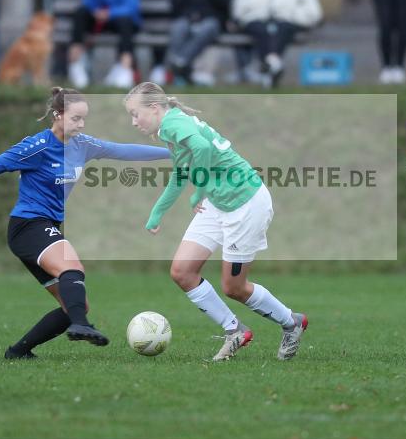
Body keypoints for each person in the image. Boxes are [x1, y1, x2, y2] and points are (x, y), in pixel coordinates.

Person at [0, 87, 170, 358]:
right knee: (73, 268)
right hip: (28, 226)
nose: (81, 124)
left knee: (74, 304)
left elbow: (123, 151)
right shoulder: (36, 147)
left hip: (46, 227)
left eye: (84, 119)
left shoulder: (83, 145)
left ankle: (19, 352)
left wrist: (173, 153)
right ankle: (82, 326)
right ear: (58, 115)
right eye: (76, 118)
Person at [123, 82, 308, 361]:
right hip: (217, 201)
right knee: (182, 271)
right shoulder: (169, 128)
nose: (133, 121)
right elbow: (181, 173)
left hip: (244, 203)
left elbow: (201, 148)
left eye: (135, 113)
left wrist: (199, 189)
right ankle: (235, 331)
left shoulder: (173, 124)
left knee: (233, 287)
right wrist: (157, 212)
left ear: (154, 108)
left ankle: (291, 322)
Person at [70, 0, 141, 88]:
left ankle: (125, 68)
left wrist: (110, 13)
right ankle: (76, 63)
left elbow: (131, 6)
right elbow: (88, 4)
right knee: (80, 13)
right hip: (98, 20)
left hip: (119, 20)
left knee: (125, 21)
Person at [166, 0, 235, 85]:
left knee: (208, 27)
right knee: (178, 27)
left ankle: (179, 62)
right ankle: (181, 71)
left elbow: (226, 2)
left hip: (210, 23)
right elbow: (174, 5)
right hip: (188, 21)